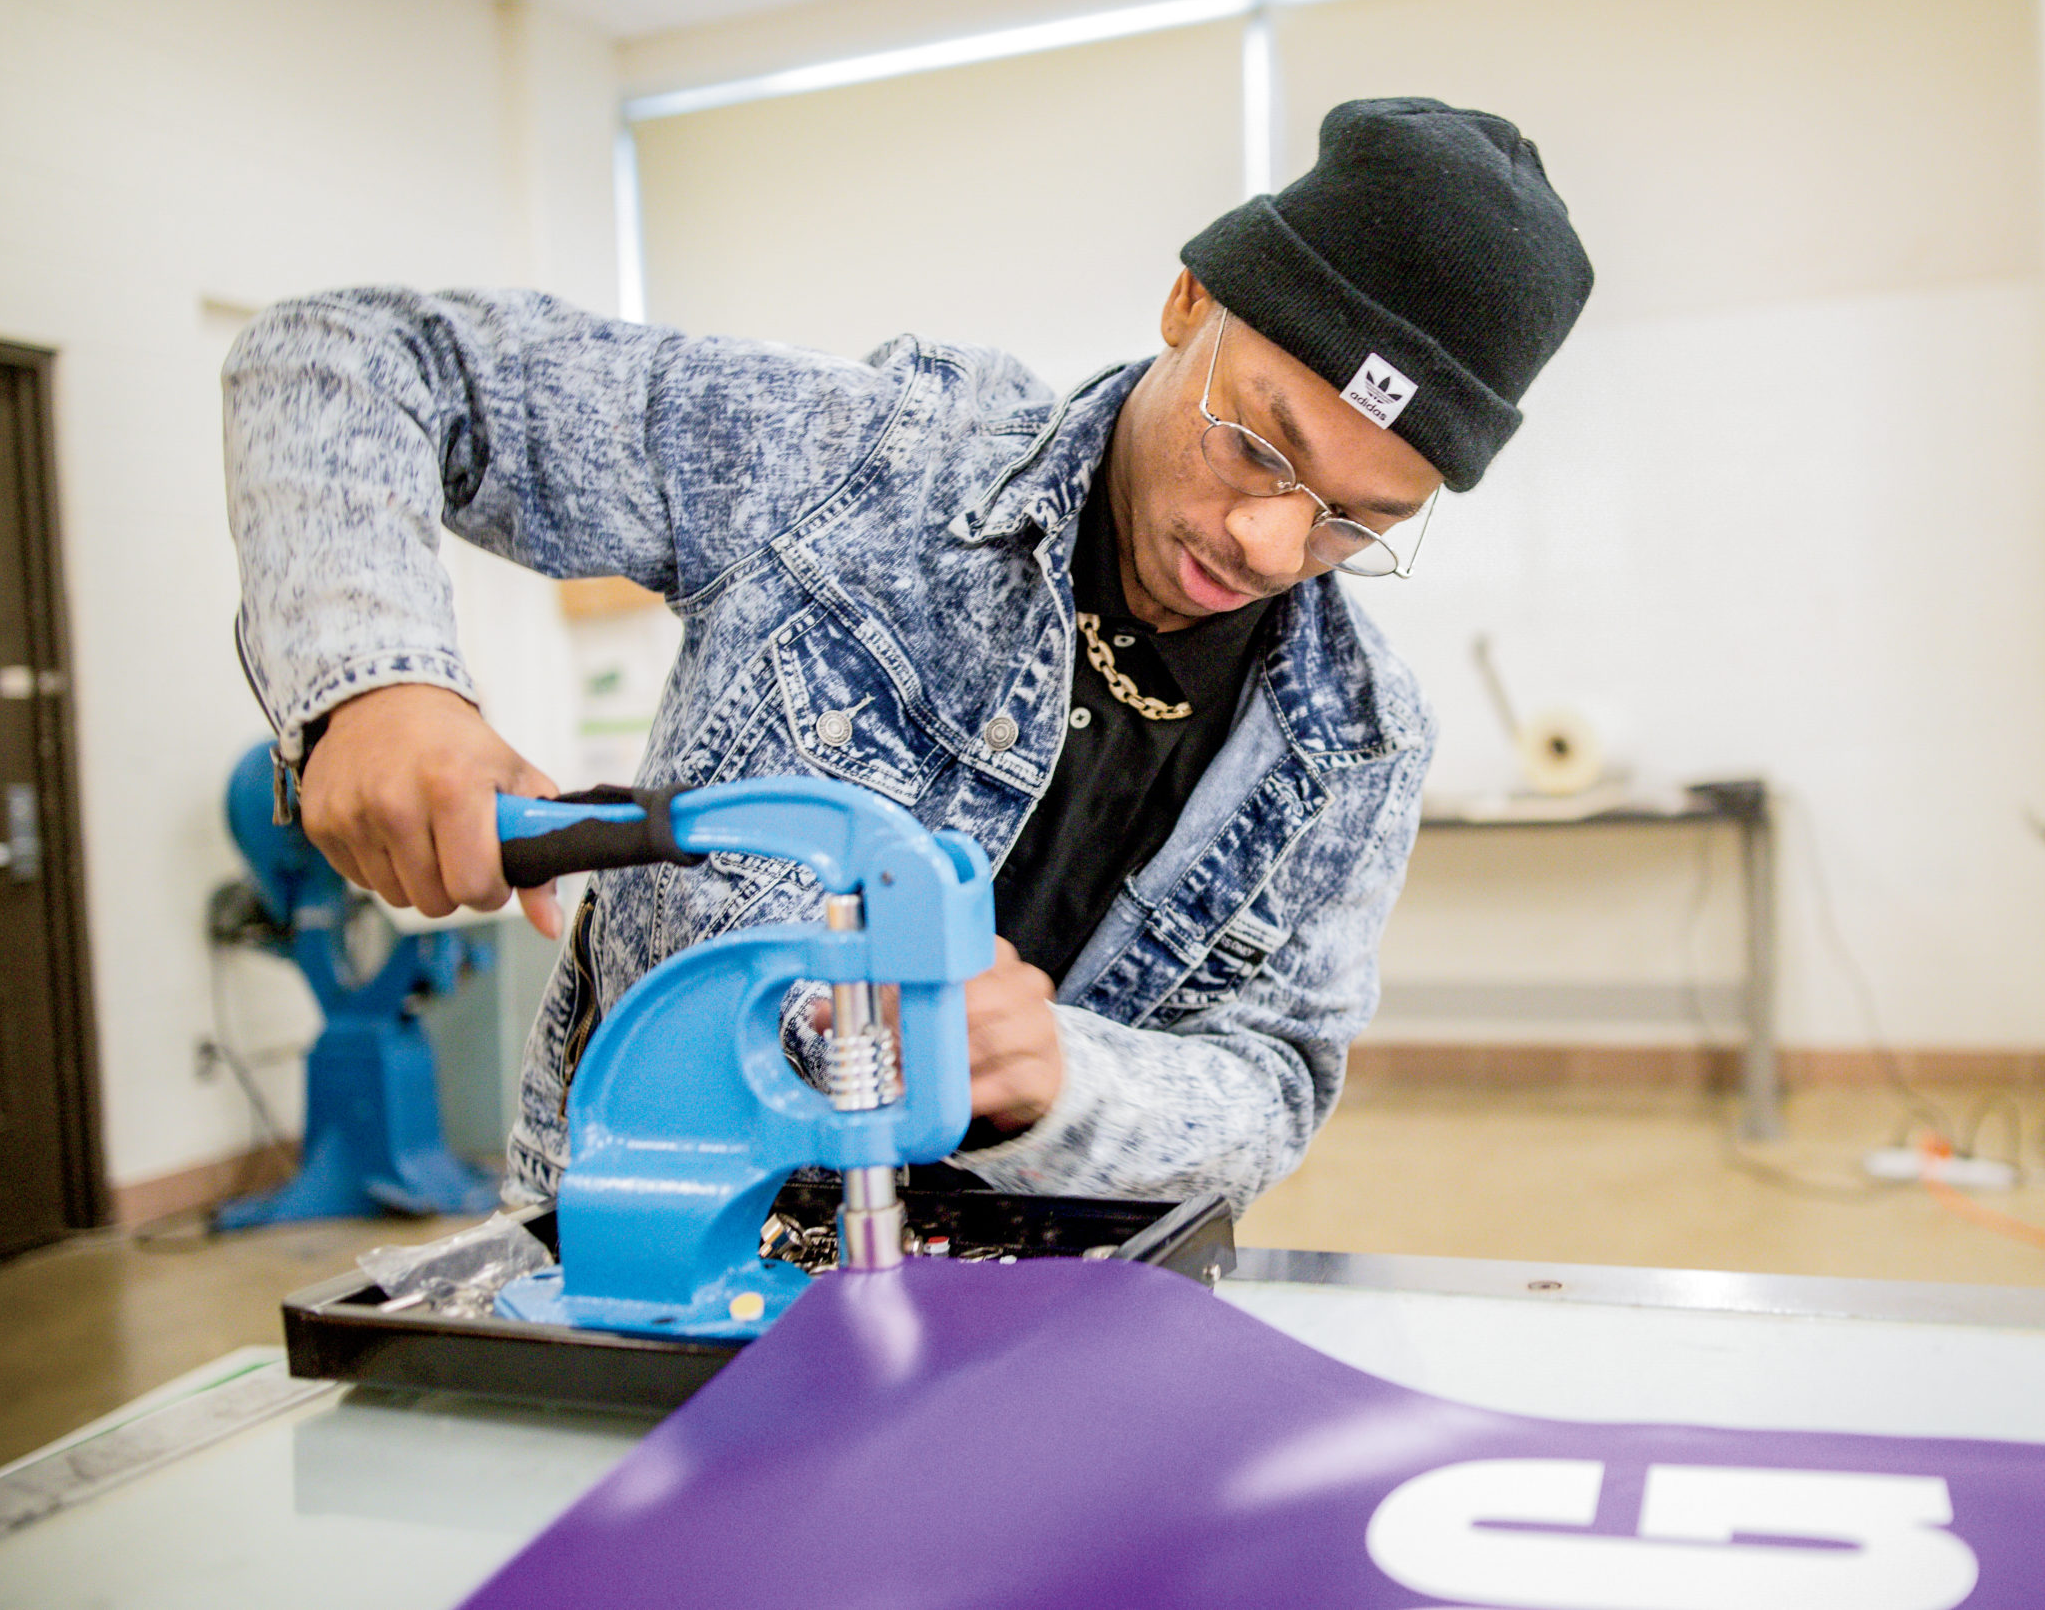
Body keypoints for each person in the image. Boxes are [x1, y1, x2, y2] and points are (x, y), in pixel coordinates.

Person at [225, 96, 1591, 1213]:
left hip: (1043, 1305)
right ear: (1186, 303)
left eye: (1359, 519)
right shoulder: (848, 464)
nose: (1268, 540)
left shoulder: (1356, 739)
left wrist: (1066, 1083)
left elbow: (1278, 1080)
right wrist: (376, 682)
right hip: (653, 1248)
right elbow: (353, 353)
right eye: (1256, 442)